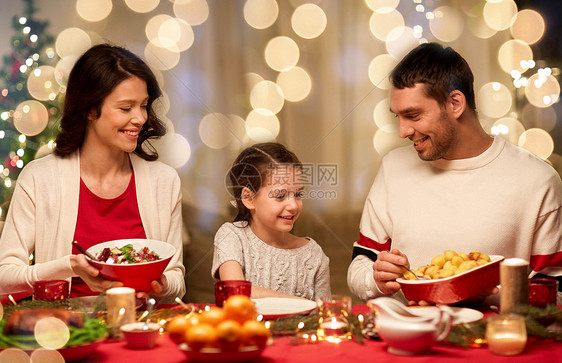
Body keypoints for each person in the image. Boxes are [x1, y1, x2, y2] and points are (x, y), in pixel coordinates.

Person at [347, 43, 562, 304]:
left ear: (455, 103)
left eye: (413, 115)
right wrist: (376, 279)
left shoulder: (537, 180)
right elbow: (361, 263)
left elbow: (555, 291)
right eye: (398, 117)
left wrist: (490, 296)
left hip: (490, 339)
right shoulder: (393, 167)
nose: (403, 131)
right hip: (408, 335)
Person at [0, 44, 185, 303]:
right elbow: (4, 281)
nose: (141, 118)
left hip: (140, 329)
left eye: (143, 106)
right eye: (125, 108)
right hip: (66, 332)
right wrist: (69, 267)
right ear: (89, 109)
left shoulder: (164, 181)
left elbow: (176, 276)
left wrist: (162, 284)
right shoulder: (39, 178)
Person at [211, 142, 331, 300]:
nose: (293, 205)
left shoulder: (313, 254)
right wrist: (302, 303)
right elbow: (236, 292)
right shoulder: (231, 236)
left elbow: (325, 314)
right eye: (280, 196)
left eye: (298, 194)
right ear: (249, 198)